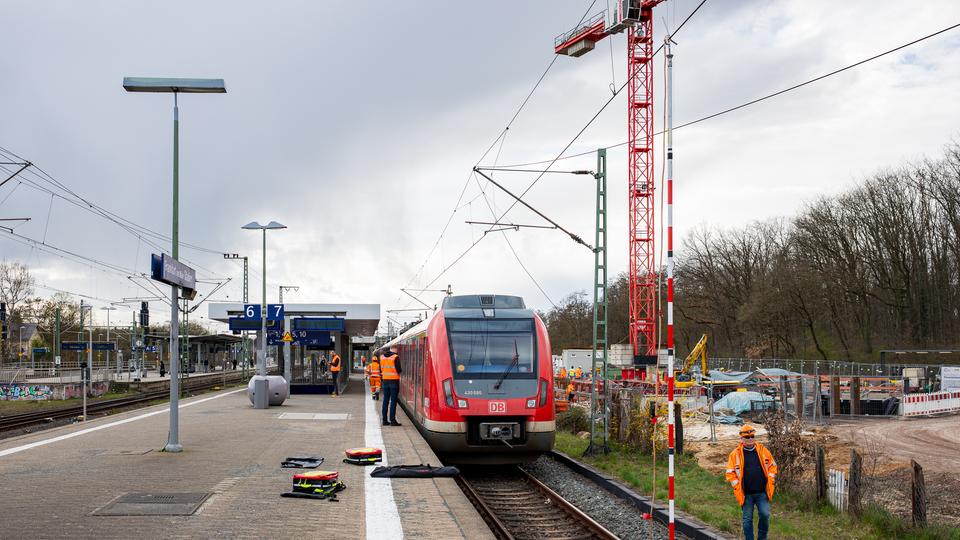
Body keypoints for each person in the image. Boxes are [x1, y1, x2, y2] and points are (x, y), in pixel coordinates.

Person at [726, 425, 778, 540]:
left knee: (765, 515)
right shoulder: (735, 454)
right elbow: (730, 473)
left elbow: (773, 466)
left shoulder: (763, 451)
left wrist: (770, 479)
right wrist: (737, 487)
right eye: (747, 437)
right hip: (746, 494)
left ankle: (762, 538)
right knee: (747, 519)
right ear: (741, 439)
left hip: (762, 493)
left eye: (752, 436)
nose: (750, 439)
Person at [379, 346, 402, 426]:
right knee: (393, 401)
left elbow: (380, 370)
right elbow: (399, 370)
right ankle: (392, 420)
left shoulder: (382, 357)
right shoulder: (395, 357)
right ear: (395, 349)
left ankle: (384, 420)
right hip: (394, 381)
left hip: (385, 381)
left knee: (385, 401)